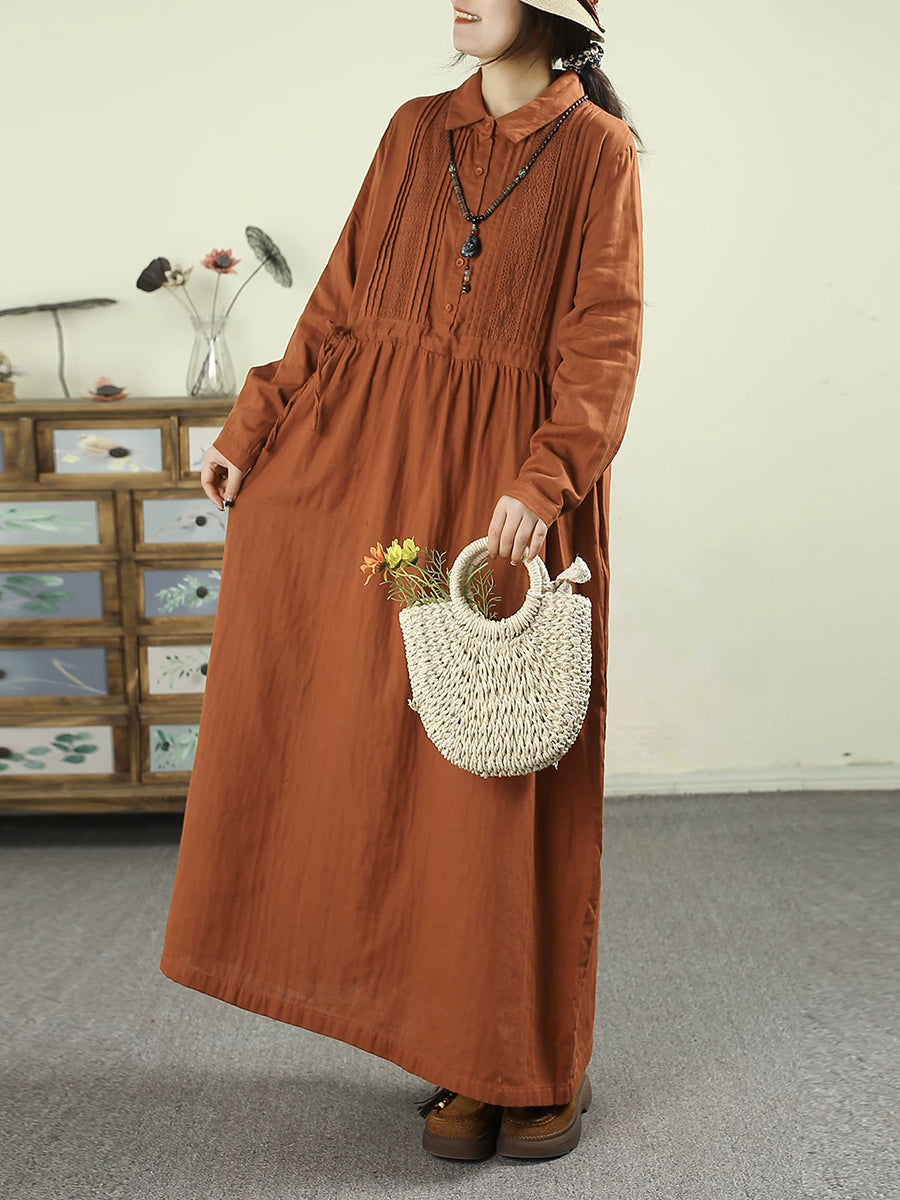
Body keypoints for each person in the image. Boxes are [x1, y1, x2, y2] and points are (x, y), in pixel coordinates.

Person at [159, 0, 644, 1165]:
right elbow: (341, 301)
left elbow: (605, 340)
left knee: (497, 771)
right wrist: (258, 421)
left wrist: (547, 479)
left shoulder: (600, 152)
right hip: (373, 462)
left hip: (503, 484)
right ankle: (453, 1048)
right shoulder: (415, 128)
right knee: (400, 764)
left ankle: (531, 1062)